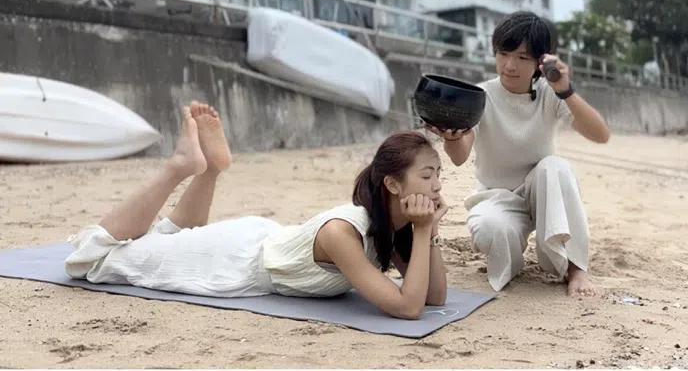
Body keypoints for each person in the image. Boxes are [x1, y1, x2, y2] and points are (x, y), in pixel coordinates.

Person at [64, 101, 449, 320]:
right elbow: (407, 307)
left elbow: (433, 297)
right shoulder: (342, 232)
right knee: (93, 259)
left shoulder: (391, 224)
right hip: (234, 261)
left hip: (259, 239)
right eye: (427, 175)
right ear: (393, 185)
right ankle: (178, 167)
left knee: (169, 239)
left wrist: (426, 232)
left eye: (439, 175)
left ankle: (209, 170)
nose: (437, 185)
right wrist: (421, 231)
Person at [427, 11, 611, 297]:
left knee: (555, 167)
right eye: (503, 53)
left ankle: (575, 269)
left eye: (523, 58)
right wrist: (452, 136)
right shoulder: (480, 95)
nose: (509, 65)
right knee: (489, 227)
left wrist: (566, 90)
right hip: (497, 198)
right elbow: (460, 155)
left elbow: (601, 134)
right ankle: (512, 260)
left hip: (544, 192)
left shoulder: (550, 93)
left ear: (541, 61)